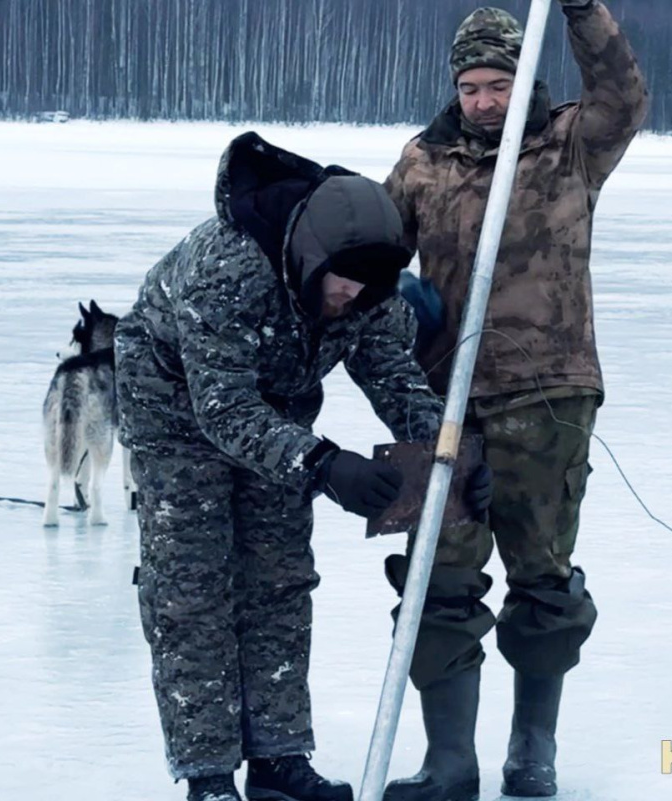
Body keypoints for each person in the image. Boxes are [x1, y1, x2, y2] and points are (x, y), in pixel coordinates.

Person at [115, 132, 491, 801]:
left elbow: (393, 376)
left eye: (366, 287)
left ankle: (279, 756)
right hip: (173, 405)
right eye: (341, 283)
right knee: (194, 587)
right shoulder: (226, 269)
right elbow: (223, 409)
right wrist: (323, 464)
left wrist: (448, 447)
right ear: (312, 257)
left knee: (279, 577)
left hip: (280, 399)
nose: (351, 296)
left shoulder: (369, 287)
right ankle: (209, 774)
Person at [383, 1, 648, 799]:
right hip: (440, 402)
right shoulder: (421, 161)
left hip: (549, 393)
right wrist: (399, 299)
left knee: (541, 573)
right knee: (436, 575)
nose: (483, 100)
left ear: (521, 79)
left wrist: (580, 11)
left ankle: (532, 750)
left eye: (497, 83)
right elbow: (373, 253)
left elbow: (624, 96)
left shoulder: (567, 145)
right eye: (470, 85)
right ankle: (448, 761)